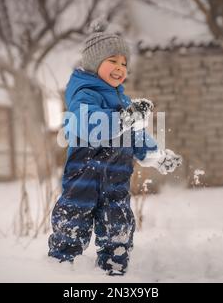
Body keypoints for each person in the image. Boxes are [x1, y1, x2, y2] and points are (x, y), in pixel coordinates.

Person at [48, 21, 182, 276]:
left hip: (116, 181)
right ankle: (59, 271)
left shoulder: (123, 99)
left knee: (118, 228)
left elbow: (136, 134)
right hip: (83, 179)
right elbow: (91, 127)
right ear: (94, 62)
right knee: (72, 224)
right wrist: (125, 118)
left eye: (124, 64)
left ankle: (115, 272)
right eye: (113, 61)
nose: (120, 69)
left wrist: (155, 155)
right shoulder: (83, 93)